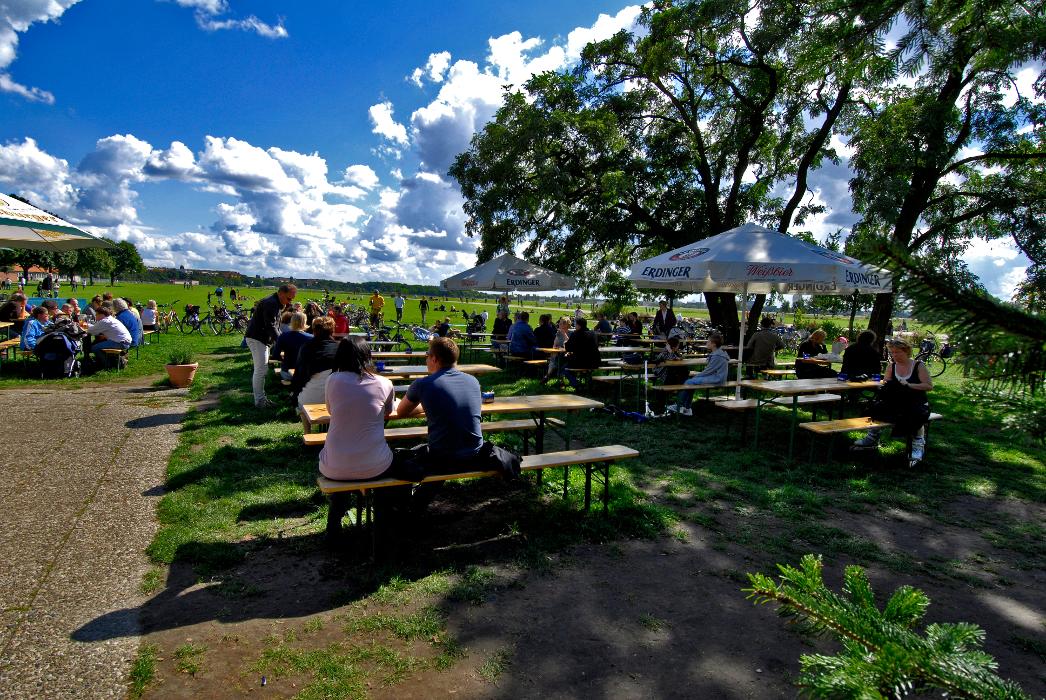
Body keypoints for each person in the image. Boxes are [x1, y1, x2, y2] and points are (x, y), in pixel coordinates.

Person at [320, 336, 419, 542]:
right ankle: (389, 521)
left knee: (347, 465)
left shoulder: (332, 380)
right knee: (394, 463)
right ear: (367, 355)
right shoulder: (384, 383)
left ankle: (333, 527)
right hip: (376, 466)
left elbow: (330, 410)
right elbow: (389, 412)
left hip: (333, 465)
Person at [394, 337, 485, 511]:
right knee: (444, 445)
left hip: (444, 456)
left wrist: (422, 406)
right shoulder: (473, 381)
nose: (426, 360)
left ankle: (406, 507)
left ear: (435, 359)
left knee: (402, 459)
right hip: (475, 453)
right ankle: (416, 504)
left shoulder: (423, 384)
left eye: (427, 356)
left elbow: (401, 412)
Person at [853, 338, 932, 464]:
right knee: (876, 409)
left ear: (906, 351)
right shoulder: (892, 366)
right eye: (892, 352)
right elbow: (886, 384)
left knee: (915, 415)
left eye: (898, 352)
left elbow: (928, 386)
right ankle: (872, 438)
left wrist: (908, 385)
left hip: (916, 401)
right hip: (896, 401)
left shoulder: (918, 365)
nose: (895, 355)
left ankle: (918, 446)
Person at [245, 283, 298, 408]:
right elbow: (271, 326)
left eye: (292, 299)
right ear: (281, 293)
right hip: (257, 339)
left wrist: (282, 340)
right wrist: (282, 342)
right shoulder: (272, 303)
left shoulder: (275, 302)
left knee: (262, 370)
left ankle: (261, 399)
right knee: (260, 370)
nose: (290, 302)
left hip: (260, 339)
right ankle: (260, 401)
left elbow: (275, 326)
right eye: (289, 298)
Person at [668, 332, 730, 415]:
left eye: (708, 342)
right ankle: (687, 408)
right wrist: (697, 377)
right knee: (691, 382)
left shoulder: (717, 356)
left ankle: (680, 406)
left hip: (717, 379)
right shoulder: (718, 353)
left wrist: (696, 376)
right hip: (717, 377)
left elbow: (708, 371)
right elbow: (709, 371)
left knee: (689, 382)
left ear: (714, 344)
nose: (706, 343)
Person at [291, 317, 339, 412]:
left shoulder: (306, 348)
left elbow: (299, 376)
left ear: (314, 331)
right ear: (332, 331)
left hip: (309, 400)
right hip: (336, 401)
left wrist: (294, 396)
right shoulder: (341, 349)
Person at [272, 312, 312, 381]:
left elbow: (275, 355)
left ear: (291, 321)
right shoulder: (311, 338)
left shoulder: (283, 336)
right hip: (305, 373)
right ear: (304, 322)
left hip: (287, 372)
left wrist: (284, 360)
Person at [563, 318, 600, 389]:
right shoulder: (593, 333)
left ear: (579, 325)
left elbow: (568, 349)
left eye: (576, 324)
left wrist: (565, 342)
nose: (575, 326)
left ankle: (576, 384)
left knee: (564, 368)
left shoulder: (576, 334)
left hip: (581, 362)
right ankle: (587, 383)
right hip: (595, 362)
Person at [542, 317, 572, 384]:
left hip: (566, 355)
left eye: (561, 323)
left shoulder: (571, 333)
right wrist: (555, 348)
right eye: (560, 323)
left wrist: (564, 334)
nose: (559, 325)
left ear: (566, 325)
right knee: (553, 360)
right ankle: (552, 377)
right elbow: (554, 345)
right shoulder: (558, 333)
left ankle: (549, 377)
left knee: (558, 361)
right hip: (557, 354)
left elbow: (570, 344)